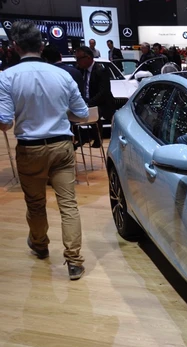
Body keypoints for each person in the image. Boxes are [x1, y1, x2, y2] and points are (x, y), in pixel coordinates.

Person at [0, 21, 89, 280]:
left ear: (16, 47)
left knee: (36, 203)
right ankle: (74, 262)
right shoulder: (63, 75)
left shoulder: (7, 77)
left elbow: (4, 123)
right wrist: (60, 114)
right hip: (62, 146)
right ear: (41, 46)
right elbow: (82, 114)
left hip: (30, 150)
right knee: (68, 205)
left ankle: (40, 245)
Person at [75, 46, 116, 146]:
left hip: (101, 103)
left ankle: (97, 138)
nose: (77, 62)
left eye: (79, 59)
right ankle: (83, 137)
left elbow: (104, 92)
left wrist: (89, 103)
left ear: (88, 58)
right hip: (86, 101)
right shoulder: (80, 70)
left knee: (93, 112)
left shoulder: (101, 70)